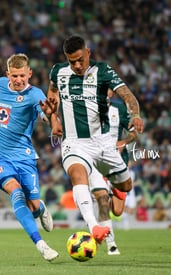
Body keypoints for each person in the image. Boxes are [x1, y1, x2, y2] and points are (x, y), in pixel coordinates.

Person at [45, 35, 144, 243]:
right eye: (72, 62)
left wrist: (134, 115)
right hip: (74, 143)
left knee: (126, 186)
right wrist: (54, 120)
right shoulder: (58, 71)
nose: (77, 65)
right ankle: (94, 226)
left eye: (81, 59)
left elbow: (128, 96)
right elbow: (52, 94)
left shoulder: (103, 71)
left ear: (88, 52)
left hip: (103, 143)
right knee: (77, 175)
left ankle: (115, 187)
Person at [0, 53, 59, 262]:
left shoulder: (35, 95)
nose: (18, 80)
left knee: (32, 206)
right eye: (14, 76)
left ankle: (40, 207)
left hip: (23, 157)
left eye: (22, 76)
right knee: (15, 192)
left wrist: (49, 115)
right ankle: (41, 245)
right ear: (8, 74)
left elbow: (44, 115)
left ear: (29, 74)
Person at [89, 91, 137, 255]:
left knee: (117, 211)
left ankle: (108, 199)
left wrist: (123, 142)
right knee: (102, 199)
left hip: (117, 163)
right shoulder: (87, 108)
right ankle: (111, 244)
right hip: (95, 162)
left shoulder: (120, 110)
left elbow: (133, 133)